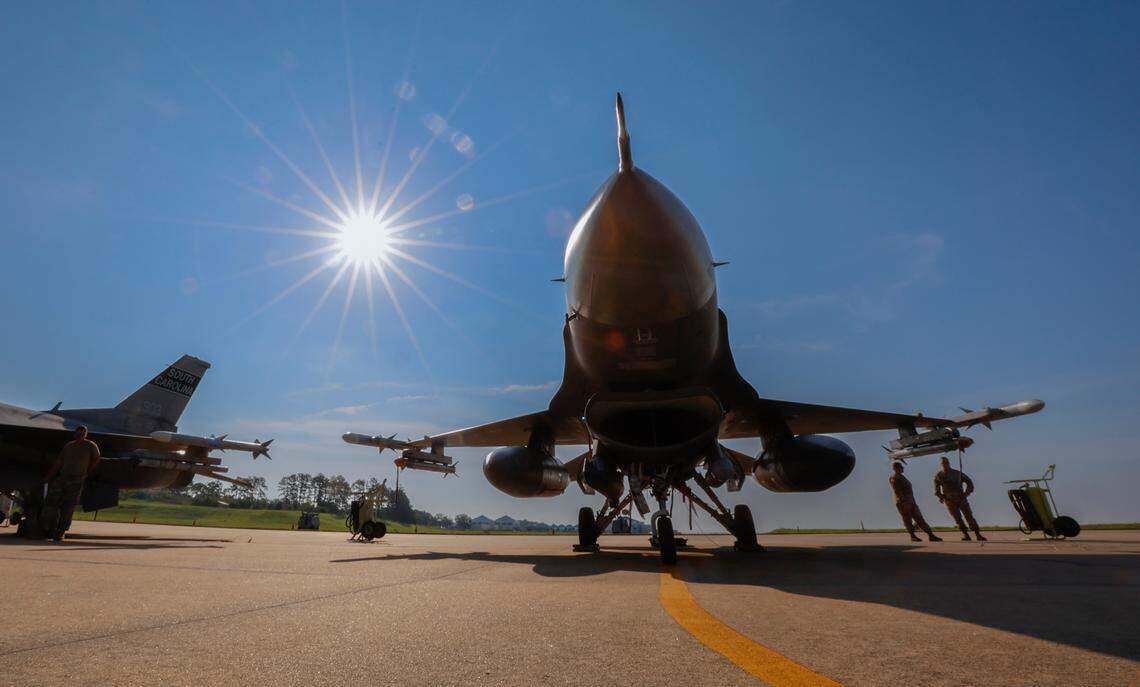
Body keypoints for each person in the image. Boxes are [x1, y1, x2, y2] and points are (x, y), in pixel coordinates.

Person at [39, 426, 101, 541]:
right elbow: (59, 461)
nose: (80, 436)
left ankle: (60, 532)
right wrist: (49, 477)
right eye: (78, 433)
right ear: (75, 434)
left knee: (68, 506)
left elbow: (96, 459)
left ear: (86, 435)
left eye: (82, 434)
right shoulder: (69, 446)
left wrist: (86, 472)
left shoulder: (90, 445)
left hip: (76, 479)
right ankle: (46, 528)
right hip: (63, 477)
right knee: (51, 502)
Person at [934, 455, 986, 541]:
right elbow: (936, 489)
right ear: (941, 464)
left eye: (946, 462)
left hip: (961, 498)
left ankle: (977, 534)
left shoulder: (957, 473)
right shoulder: (939, 475)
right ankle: (966, 535)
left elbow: (969, 482)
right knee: (957, 518)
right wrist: (941, 496)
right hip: (949, 500)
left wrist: (966, 493)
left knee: (969, 516)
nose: (945, 464)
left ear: (949, 463)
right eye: (943, 463)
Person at [889, 462, 941, 542]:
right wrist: (904, 502)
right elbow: (897, 491)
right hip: (903, 502)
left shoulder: (901, 477)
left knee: (919, 518)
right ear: (896, 468)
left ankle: (931, 535)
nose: (902, 468)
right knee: (907, 520)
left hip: (911, 501)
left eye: (902, 467)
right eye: (901, 467)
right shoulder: (895, 478)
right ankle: (912, 536)